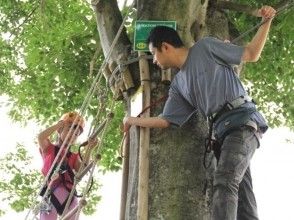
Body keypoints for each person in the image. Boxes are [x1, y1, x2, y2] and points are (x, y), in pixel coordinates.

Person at [123, 5, 276, 220]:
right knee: (242, 196)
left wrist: (266, 21)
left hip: (242, 124)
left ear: (165, 46)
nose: (154, 61)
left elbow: (251, 54)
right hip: (222, 136)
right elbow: (166, 120)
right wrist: (133, 120)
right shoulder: (178, 84)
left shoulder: (205, 48)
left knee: (224, 181)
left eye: (154, 54)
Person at [38, 111, 97, 220]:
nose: (73, 135)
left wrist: (89, 149)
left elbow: (82, 170)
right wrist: (58, 125)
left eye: (76, 134)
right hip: (50, 193)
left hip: (70, 196)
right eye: (70, 129)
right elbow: (41, 137)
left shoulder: (73, 156)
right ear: (60, 130)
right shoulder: (49, 149)